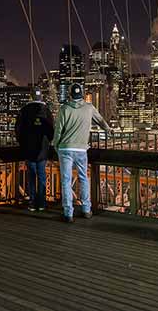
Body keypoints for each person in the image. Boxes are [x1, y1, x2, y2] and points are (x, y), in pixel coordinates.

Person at [53, 83, 112, 222]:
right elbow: (101, 121)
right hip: (81, 149)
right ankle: (86, 209)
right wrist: (108, 129)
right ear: (82, 94)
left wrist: (56, 145)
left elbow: (58, 130)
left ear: (70, 94)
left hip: (65, 148)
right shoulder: (89, 108)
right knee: (83, 178)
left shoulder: (64, 109)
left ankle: (68, 213)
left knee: (66, 181)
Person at [15, 88, 54, 212]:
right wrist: (48, 143)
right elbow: (51, 130)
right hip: (42, 149)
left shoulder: (24, 111)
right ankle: (42, 203)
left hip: (28, 148)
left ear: (31, 97)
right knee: (42, 175)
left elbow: (18, 129)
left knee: (31, 175)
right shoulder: (46, 111)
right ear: (41, 97)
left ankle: (32, 202)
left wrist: (22, 143)